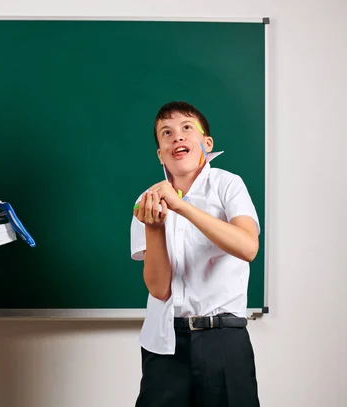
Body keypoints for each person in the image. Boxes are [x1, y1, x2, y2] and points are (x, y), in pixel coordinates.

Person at [130, 101, 261, 407]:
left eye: (187, 128)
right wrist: (155, 227)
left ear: (207, 142)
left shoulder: (228, 185)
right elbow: (159, 288)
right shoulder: (147, 201)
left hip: (223, 339)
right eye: (167, 133)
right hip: (165, 342)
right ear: (161, 153)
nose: (177, 137)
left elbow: (248, 247)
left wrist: (182, 207)